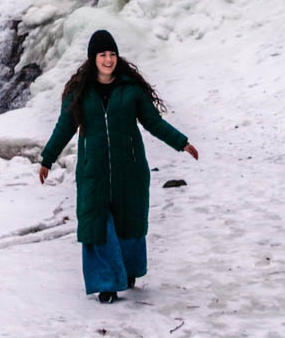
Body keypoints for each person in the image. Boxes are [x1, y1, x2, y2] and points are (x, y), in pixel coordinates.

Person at [38, 29, 198, 303]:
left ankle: (129, 271)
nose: (109, 59)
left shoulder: (130, 89)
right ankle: (107, 283)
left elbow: (153, 122)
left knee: (129, 223)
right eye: (103, 54)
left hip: (130, 169)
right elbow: (64, 128)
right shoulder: (79, 92)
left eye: (112, 54)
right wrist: (47, 159)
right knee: (97, 226)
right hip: (93, 172)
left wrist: (181, 142)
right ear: (93, 58)